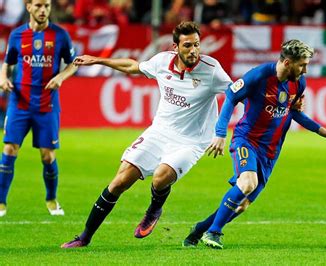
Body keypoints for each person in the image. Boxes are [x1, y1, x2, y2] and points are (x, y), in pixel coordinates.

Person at [61, 21, 232, 248]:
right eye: (188, 45)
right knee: (119, 182)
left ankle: (154, 209)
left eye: (197, 45)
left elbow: (236, 92)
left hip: (191, 142)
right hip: (159, 132)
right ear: (175, 47)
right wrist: (99, 60)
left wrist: (220, 132)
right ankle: (84, 237)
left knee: (161, 177)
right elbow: (133, 67)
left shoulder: (211, 70)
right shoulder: (162, 61)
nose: (194, 51)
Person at [182, 39, 326, 249]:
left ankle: (200, 229)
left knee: (242, 204)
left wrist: (321, 130)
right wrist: (220, 133)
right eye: (302, 64)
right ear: (287, 62)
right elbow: (230, 97)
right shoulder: (257, 76)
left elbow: (294, 112)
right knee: (248, 183)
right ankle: (213, 233)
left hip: (270, 152)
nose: (306, 69)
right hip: (246, 140)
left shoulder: (298, 82)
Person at [0, 0, 77, 217]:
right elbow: (7, 63)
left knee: (47, 155)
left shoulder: (60, 35)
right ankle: (0, 202)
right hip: (20, 102)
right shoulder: (17, 35)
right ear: (28, 7)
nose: (43, 10)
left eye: (46, 6)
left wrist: (61, 76)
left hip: (47, 103)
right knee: (9, 149)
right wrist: (3, 78)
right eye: (38, 6)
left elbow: (73, 63)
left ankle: (51, 199)